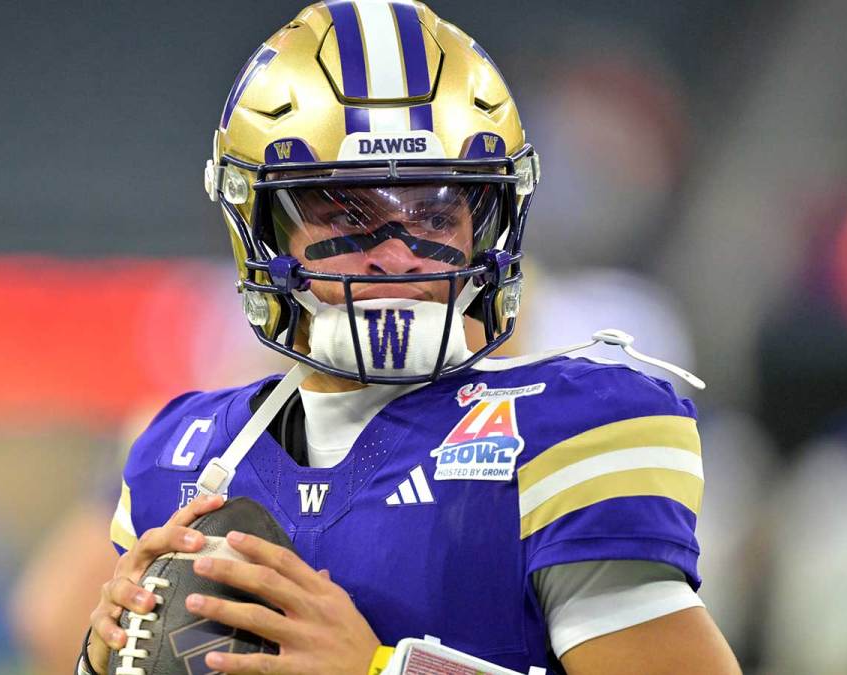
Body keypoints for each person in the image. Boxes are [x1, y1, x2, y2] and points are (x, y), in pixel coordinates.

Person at [81, 2, 740, 673]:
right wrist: (100, 660)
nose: (396, 257)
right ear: (267, 228)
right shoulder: (181, 456)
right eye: (344, 211)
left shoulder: (566, 433)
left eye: (433, 212)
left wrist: (384, 669)